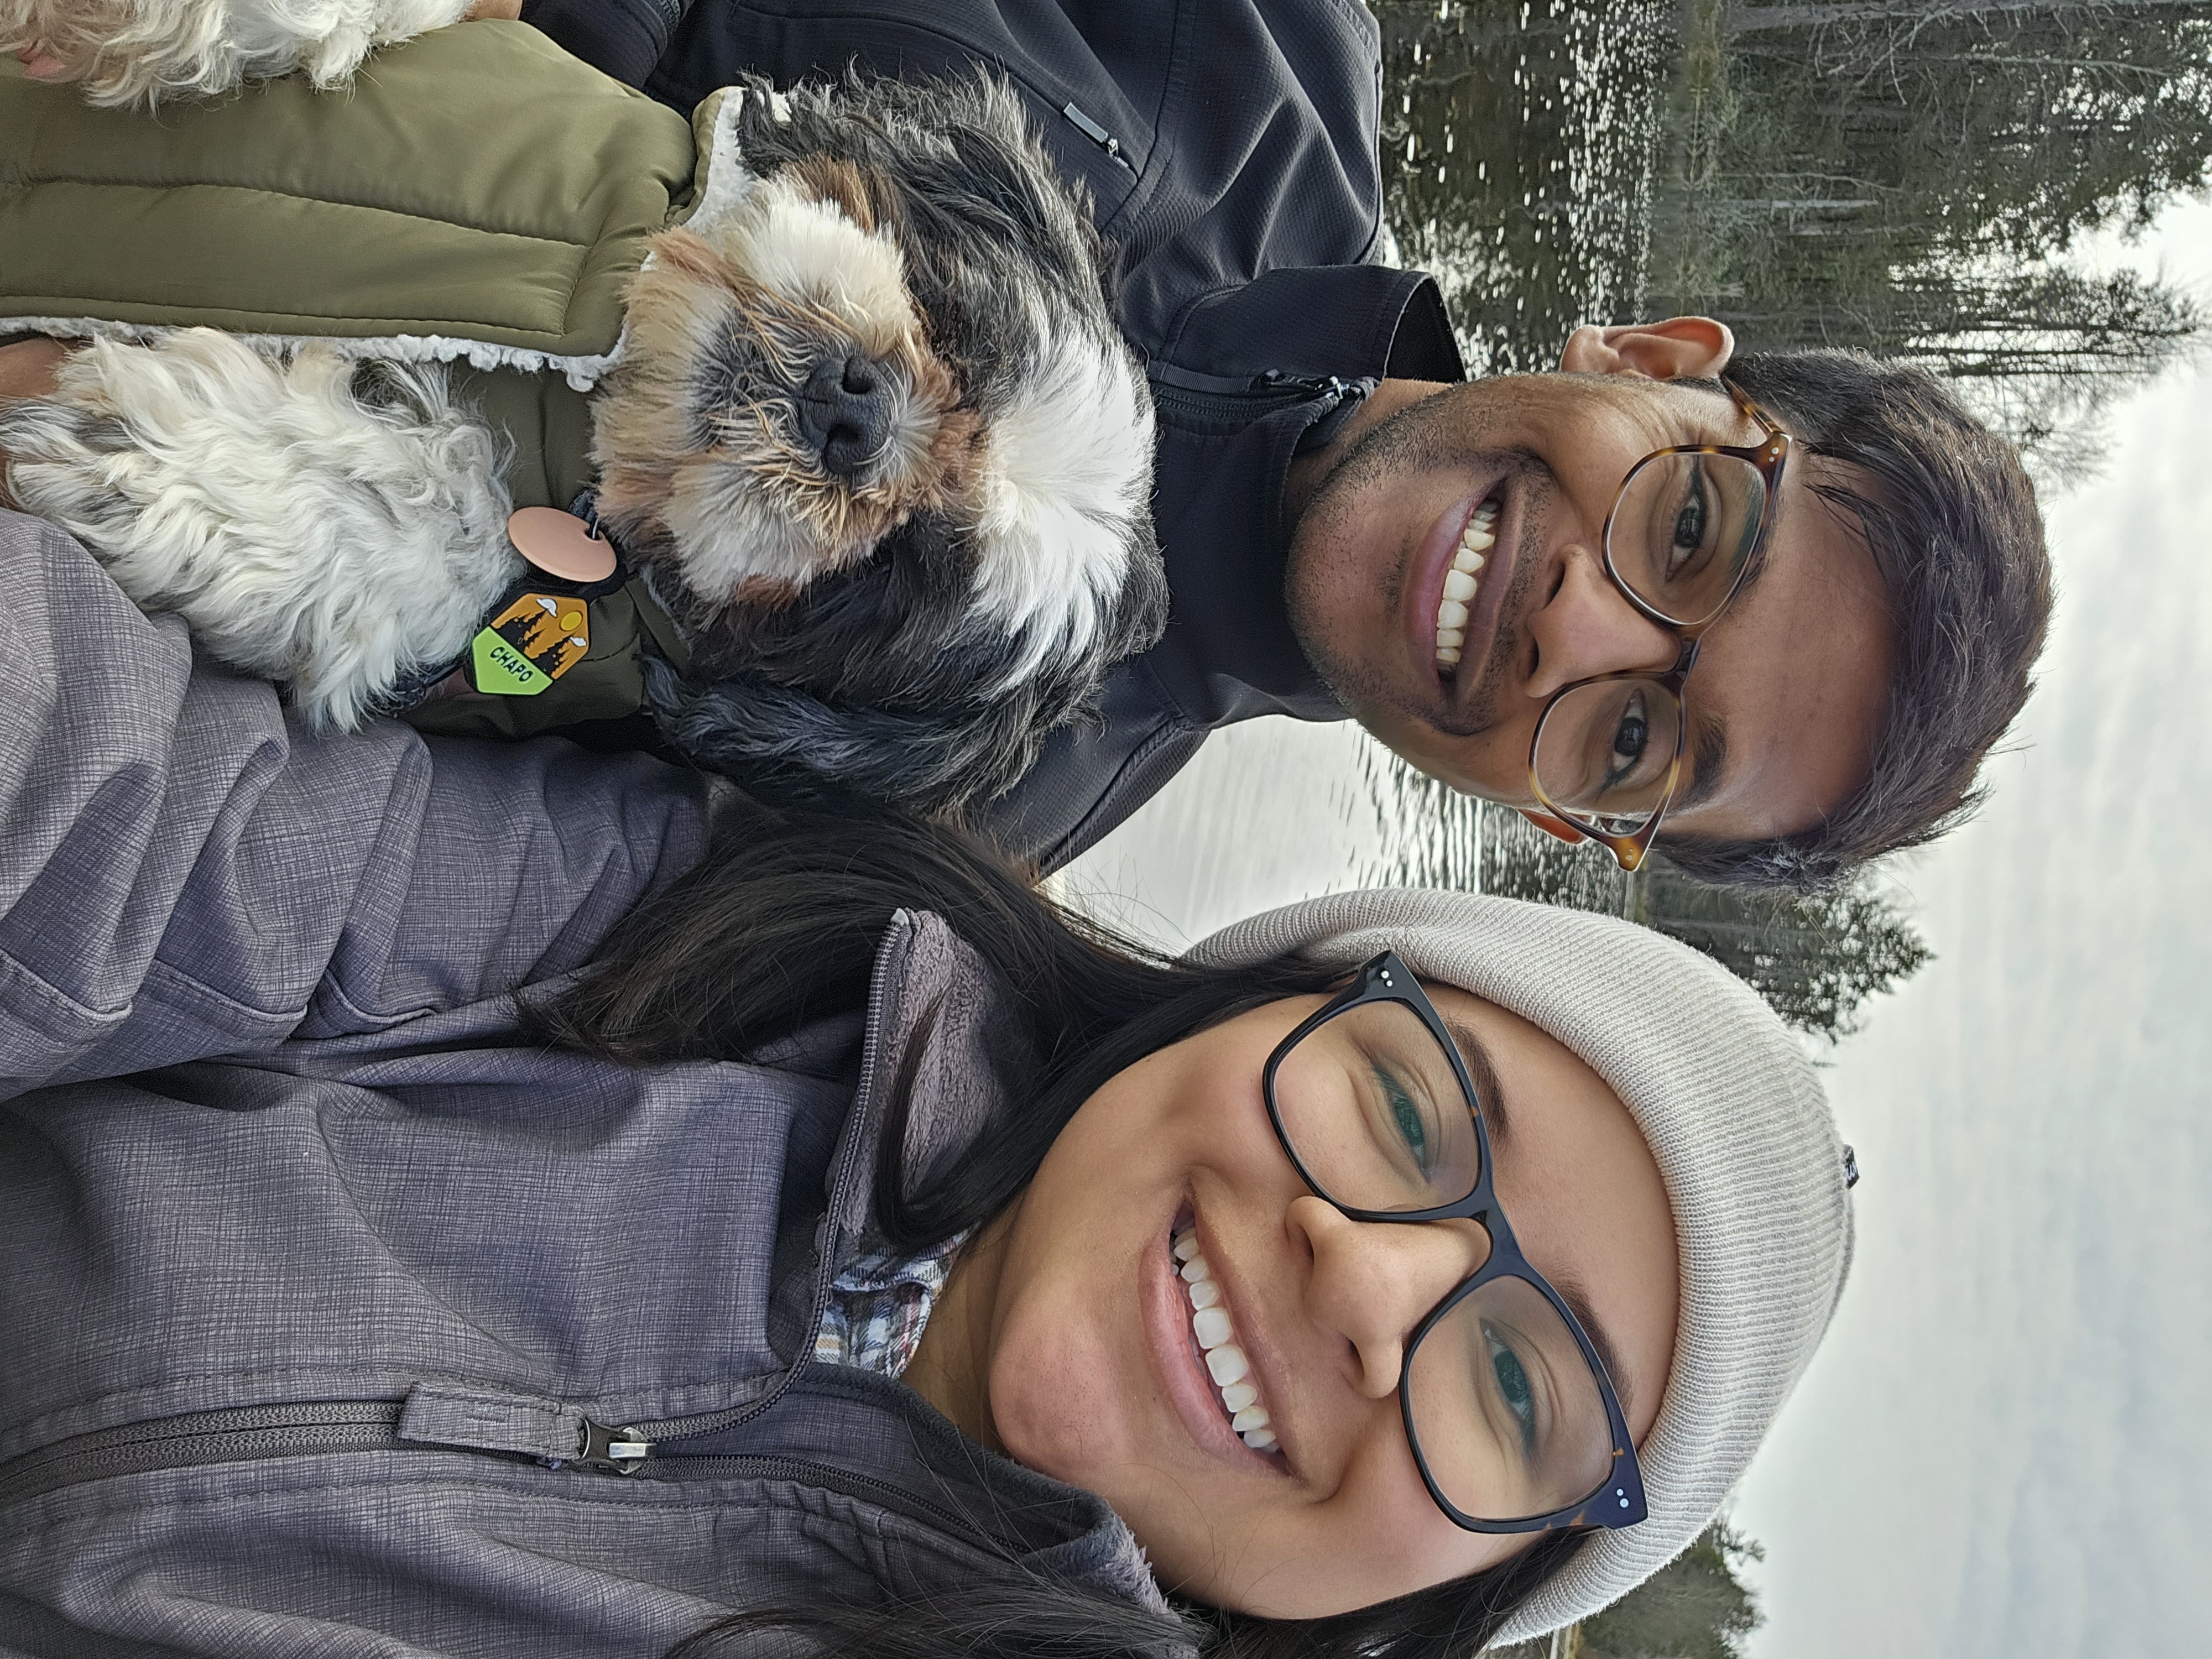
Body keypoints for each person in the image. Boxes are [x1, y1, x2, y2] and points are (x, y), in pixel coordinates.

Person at [0, 507, 1853, 1655]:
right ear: (1252, 1001)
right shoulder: (757, 923)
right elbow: (144, 835)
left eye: (1520, 1387)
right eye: (1411, 1112)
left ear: (1422, 1611)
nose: (1372, 1283)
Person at [510, 0, 2053, 889]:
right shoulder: (1262, 34)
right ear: (1649, 361)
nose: (1579, 628)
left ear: (1550, 810)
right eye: (1695, 534)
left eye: (1637, 743)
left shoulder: (939, 855)